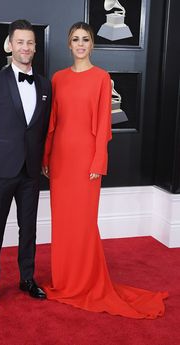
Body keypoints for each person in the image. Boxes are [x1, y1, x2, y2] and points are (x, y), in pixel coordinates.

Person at [42, 22, 168, 318]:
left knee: (83, 223)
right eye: (76, 39)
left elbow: (103, 125)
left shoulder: (101, 78)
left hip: (87, 160)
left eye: (86, 39)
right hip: (60, 159)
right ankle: (64, 281)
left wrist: (98, 162)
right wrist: (45, 158)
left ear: (92, 45)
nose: (81, 44)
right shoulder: (58, 78)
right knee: (62, 223)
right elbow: (52, 123)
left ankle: (85, 281)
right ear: (68, 44)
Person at [0, 19, 51, 307]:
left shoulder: (45, 85)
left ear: (35, 46)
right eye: (20, 42)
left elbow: (42, 129)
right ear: (10, 44)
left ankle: (27, 278)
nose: (26, 47)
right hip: (1, 168)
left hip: (30, 171)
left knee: (28, 228)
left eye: (30, 42)